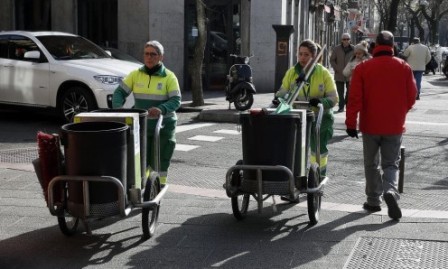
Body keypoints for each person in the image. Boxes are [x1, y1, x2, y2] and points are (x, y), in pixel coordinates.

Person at [345, 31, 417, 220]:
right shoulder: (404, 67)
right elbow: (412, 96)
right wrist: (401, 112)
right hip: (394, 125)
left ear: (375, 46)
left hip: (370, 125)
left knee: (371, 164)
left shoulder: (363, 68)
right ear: (393, 46)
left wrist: (351, 123)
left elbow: (354, 99)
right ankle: (390, 190)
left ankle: (373, 201)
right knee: (391, 163)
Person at [112, 40, 181, 186]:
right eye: (146, 54)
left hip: (163, 127)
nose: (149, 57)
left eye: (153, 54)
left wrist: (161, 109)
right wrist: (118, 108)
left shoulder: (169, 77)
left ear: (161, 57)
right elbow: (119, 92)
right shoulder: (135, 74)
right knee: (141, 160)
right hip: (142, 126)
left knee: (160, 160)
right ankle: (145, 187)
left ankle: (159, 186)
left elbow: (176, 100)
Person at [276, 39, 339, 177]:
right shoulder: (292, 73)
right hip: (298, 117)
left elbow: (334, 98)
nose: (302, 58)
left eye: (306, 55)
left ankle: (318, 176)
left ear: (314, 56)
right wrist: (279, 99)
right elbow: (282, 92)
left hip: (320, 119)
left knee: (318, 151)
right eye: (300, 54)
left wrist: (320, 101)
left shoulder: (323, 73)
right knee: (297, 149)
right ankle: (298, 178)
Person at [330, 33, 354, 112]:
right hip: (339, 74)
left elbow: (357, 59)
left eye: (347, 39)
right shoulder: (337, 49)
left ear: (350, 40)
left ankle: (346, 103)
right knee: (340, 92)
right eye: (344, 39)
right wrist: (337, 69)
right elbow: (332, 60)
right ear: (341, 40)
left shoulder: (354, 49)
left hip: (350, 74)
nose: (346, 41)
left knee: (349, 92)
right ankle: (341, 106)